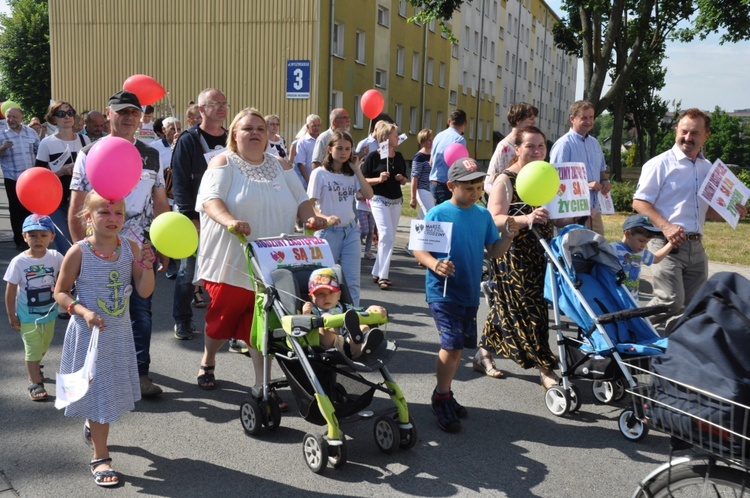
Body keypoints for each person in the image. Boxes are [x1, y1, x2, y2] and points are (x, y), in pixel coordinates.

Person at [193, 107, 325, 395]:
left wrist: (312, 217)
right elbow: (210, 201)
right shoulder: (223, 162)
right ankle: (209, 357)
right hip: (231, 260)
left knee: (263, 328)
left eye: (260, 129)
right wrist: (230, 221)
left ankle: (261, 386)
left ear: (268, 136)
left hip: (271, 261)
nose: (255, 133)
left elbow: (302, 201)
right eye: (247, 128)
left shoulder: (282, 165)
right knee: (220, 325)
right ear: (234, 135)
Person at [68, 90, 170, 398]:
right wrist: (80, 254)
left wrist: (162, 243)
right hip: (98, 251)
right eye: (121, 112)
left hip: (138, 248)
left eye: (134, 113)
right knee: (98, 313)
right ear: (108, 114)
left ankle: (139, 374)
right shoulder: (89, 152)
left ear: (141, 118)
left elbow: (160, 201)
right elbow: (75, 209)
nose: (128, 118)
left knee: (141, 311)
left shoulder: (151, 154)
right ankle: (93, 375)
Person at [54, 191, 155, 488]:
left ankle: (93, 426)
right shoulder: (79, 252)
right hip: (88, 335)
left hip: (118, 335)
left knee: (104, 393)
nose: (114, 220)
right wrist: (83, 312)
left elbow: (145, 291)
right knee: (98, 393)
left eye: (119, 214)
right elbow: (60, 293)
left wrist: (147, 266)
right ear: (88, 218)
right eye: (104, 213)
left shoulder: (131, 248)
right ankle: (100, 456)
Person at [413, 158, 516, 433]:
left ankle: (445, 391)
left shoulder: (482, 215)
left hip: (469, 291)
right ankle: (441, 397)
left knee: (459, 348)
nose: (475, 193)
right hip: (442, 291)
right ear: (451, 186)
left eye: (479, 187)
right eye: (469, 187)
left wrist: (507, 237)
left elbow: (493, 251)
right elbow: (419, 250)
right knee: (452, 344)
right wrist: (435, 264)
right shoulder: (437, 213)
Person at [633, 108, 748, 332]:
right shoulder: (660, 164)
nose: (688, 138)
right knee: (670, 301)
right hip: (665, 244)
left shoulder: (709, 169)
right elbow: (639, 203)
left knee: (692, 308)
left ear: (706, 136)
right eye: (684, 131)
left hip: (696, 247)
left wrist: (733, 212)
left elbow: (704, 210)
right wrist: (666, 227)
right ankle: (630, 330)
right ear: (676, 130)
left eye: (695, 133)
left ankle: (669, 351)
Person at [479, 126, 564, 389]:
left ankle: (483, 353)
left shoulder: (547, 176)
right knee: (532, 308)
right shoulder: (505, 181)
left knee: (505, 307)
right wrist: (526, 219)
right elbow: (493, 220)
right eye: (530, 146)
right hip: (512, 252)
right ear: (517, 149)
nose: (537, 151)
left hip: (541, 251)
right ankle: (544, 366)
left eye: (541, 146)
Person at [171, 89, 228, 341]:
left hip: (225, 216)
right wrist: (188, 216)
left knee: (226, 273)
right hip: (194, 217)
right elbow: (180, 181)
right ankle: (182, 320)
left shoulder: (232, 139)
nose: (222, 108)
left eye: (224, 104)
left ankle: (226, 324)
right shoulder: (189, 140)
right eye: (215, 104)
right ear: (202, 110)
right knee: (187, 273)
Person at [307, 131, 374, 306]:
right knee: (324, 280)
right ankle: (324, 319)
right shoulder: (320, 173)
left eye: (348, 149)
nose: (344, 152)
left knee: (352, 280)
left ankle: (353, 317)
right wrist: (325, 217)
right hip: (327, 233)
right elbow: (309, 206)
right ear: (329, 149)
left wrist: (357, 170)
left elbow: (368, 194)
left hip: (350, 231)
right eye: (339, 148)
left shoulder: (351, 174)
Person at [4, 215, 64, 401]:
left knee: (44, 345)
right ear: (24, 236)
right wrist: (11, 314)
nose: (38, 239)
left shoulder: (56, 257)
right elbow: (11, 288)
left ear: (52, 237)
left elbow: (66, 276)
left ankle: (36, 365)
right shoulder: (19, 262)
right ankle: (35, 381)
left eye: (43, 235)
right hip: (27, 316)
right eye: (32, 235)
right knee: (32, 348)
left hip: (49, 312)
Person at [36, 101, 90, 255]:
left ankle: (82, 277)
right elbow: (38, 178)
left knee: (83, 244)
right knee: (66, 247)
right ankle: (67, 278)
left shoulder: (84, 141)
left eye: (70, 112)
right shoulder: (47, 143)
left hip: (81, 201)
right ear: (53, 119)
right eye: (61, 114)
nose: (67, 117)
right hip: (56, 202)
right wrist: (60, 172)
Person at [549, 100, 610, 235]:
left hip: (594, 211)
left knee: (598, 250)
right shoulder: (563, 145)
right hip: (573, 213)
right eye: (584, 118)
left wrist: (605, 182)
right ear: (573, 119)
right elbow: (556, 182)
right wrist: (586, 186)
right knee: (577, 253)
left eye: (591, 117)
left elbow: (602, 171)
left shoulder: (595, 143)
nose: (589, 121)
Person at [361, 121, 408, 290]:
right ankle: (383, 276)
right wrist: (378, 179)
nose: (398, 137)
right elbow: (363, 180)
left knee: (388, 237)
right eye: (395, 135)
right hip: (378, 199)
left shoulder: (400, 156)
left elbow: (405, 179)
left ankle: (376, 271)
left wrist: (401, 179)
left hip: (396, 200)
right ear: (386, 137)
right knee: (386, 234)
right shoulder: (374, 157)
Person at [301, 267, 386, 358]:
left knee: (361, 324)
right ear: (311, 298)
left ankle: (367, 340)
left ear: (339, 295)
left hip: (351, 343)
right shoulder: (313, 309)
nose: (327, 297)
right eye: (320, 294)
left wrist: (372, 309)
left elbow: (362, 313)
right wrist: (305, 313)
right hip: (330, 346)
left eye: (331, 292)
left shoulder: (345, 307)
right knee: (325, 317)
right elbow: (303, 326)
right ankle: (344, 330)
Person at [0, 106, 40, 251]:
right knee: (16, 211)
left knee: (32, 209)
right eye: (8, 117)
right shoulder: (2, 133)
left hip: (30, 179)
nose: (11, 120)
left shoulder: (30, 132)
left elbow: (39, 151)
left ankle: (34, 237)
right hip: (13, 178)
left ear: (22, 118)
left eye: (14, 117)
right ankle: (20, 241)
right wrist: (3, 148)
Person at [611, 214, 673, 301]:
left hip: (633, 300)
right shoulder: (613, 249)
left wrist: (671, 244)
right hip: (616, 298)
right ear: (628, 234)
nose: (644, 245)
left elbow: (656, 258)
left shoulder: (641, 253)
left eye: (647, 242)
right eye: (641, 240)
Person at [484, 103, 538, 195]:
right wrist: (504, 198)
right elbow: (489, 183)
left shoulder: (534, 146)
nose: (534, 122)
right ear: (518, 120)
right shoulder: (504, 147)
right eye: (531, 119)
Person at [429, 109, 467, 205]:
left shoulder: (438, 135)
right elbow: (458, 165)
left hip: (433, 182)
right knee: (446, 218)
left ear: (449, 121)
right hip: (446, 184)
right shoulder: (459, 139)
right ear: (465, 123)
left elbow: (431, 161)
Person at [410, 128, 434, 219]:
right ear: (423, 142)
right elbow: (414, 177)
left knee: (422, 216)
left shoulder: (434, 153)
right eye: (428, 140)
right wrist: (413, 198)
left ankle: (417, 231)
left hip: (433, 189)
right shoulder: (419, 157)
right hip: (423, 189)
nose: (431, 142)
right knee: (430, 214)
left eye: (432, 139)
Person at [291, 113, 321, 188]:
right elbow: (300, 164)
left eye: (318, 125)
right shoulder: (302, 142)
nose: (316, 128)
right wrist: (309, 182)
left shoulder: (322, 140)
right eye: (314, 125)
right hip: (308, 182)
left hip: (323, 180)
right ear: (307, 126)